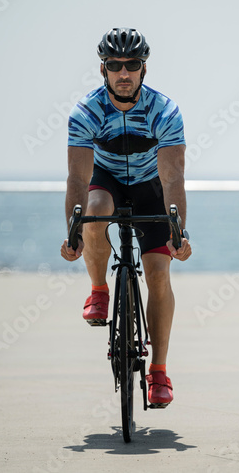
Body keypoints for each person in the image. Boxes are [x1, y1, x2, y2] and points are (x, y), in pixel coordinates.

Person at [61, 27, 191, 406]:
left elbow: (172, 177)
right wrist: (73, 232)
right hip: (106, 181)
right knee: (95, 210)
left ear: (143, 69)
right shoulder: (86, 112)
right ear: (103, 69)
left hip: (152, 186)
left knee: (157, 274)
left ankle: (159, 373)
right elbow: (77, 179)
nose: (123, 72)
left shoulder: (164, 111)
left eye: (131, 64)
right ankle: (99, 289)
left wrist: (178, 231)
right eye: (114, 65)